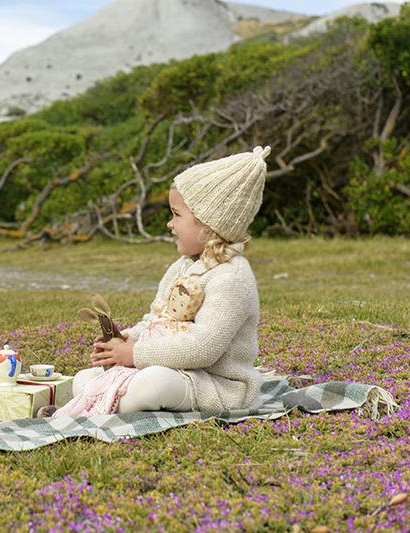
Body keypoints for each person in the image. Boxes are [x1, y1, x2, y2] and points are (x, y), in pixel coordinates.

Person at [50, 146, 270, 417]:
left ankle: (95, 409)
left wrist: (134, 354)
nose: (169, 223)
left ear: (208, 225)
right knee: (86, 378)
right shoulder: (183, 266)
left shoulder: (231, 277)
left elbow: (203, 349)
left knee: (153, 384)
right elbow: (156, 322)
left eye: (177, 215)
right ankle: (100, 402)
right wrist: (126, 339)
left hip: (213, 384)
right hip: (174, 370)